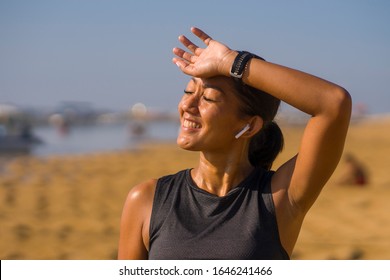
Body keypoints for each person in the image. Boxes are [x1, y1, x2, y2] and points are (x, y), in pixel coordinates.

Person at [118, 27, 352, 260]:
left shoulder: (278, 199)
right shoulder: (147, 199)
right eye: (188, 91)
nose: (187, 106)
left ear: (249, 126)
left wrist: (230, 62)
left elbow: (333, 104)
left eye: (208, 98)